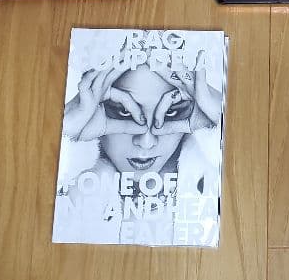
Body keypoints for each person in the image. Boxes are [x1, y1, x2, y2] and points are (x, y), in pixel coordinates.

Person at [54, 51, 222, 245]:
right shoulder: (74, 190)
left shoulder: (214, 184)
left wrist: (224, 126)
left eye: (171, 112)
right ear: (94, 108)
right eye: (124, 111)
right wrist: (64, 136)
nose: (146, 142)